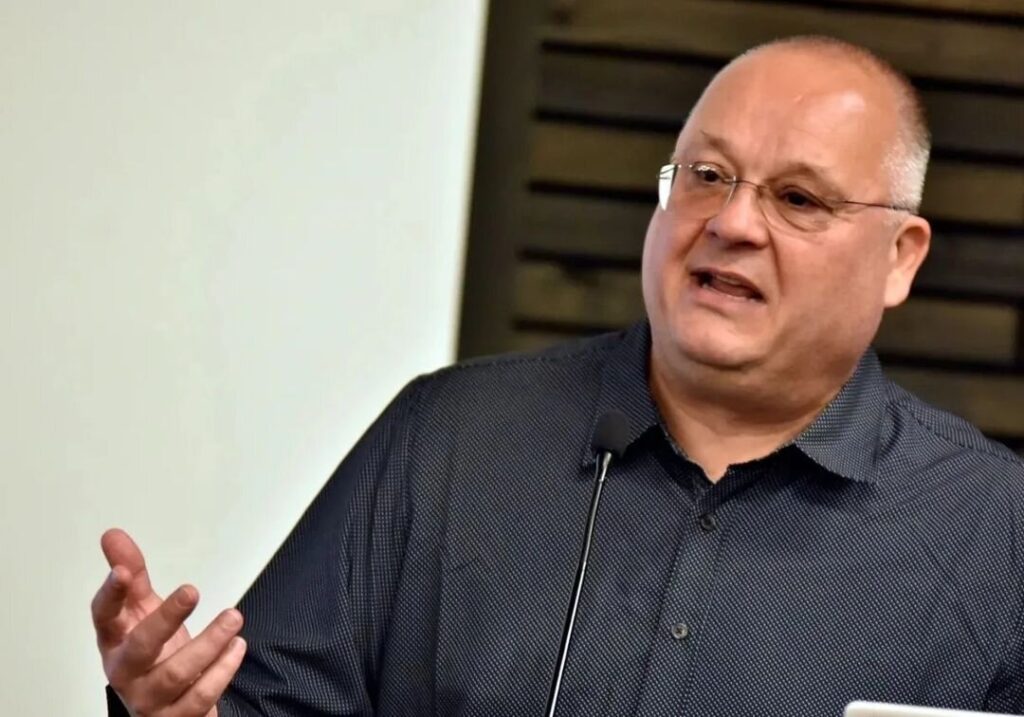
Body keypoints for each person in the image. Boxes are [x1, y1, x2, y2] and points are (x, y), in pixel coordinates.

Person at [92, 35, 1024, 716]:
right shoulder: (449, 437)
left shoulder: (996, 534)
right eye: (706, 175)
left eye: (797, 198)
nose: (732, 223)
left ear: (900, 257)